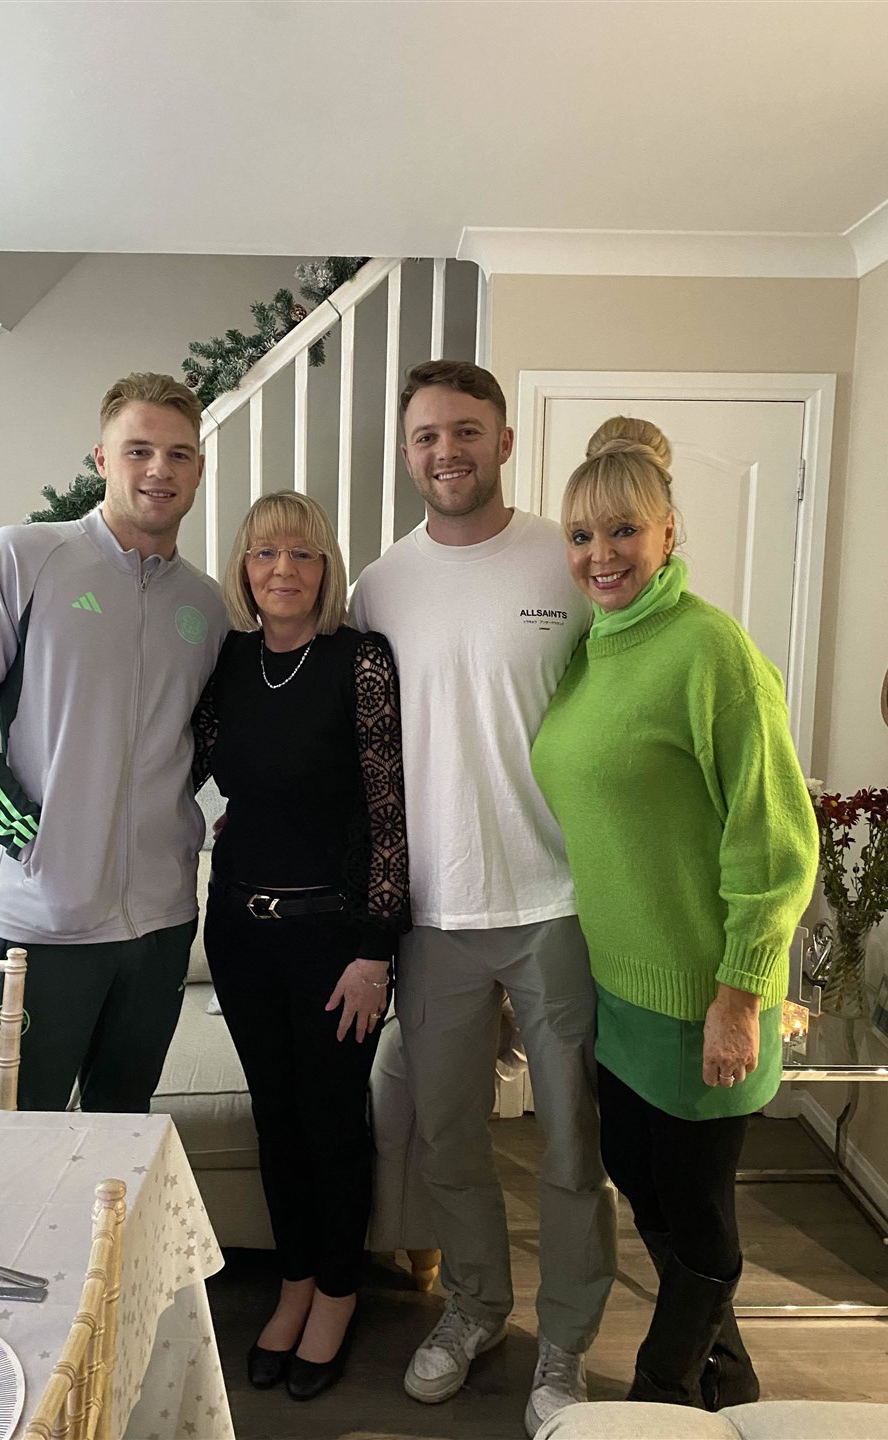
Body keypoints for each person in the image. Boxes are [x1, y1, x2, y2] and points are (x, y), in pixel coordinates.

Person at [350, 361, 617, 1437]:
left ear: (505, 441)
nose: (445, 450)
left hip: (557, 902)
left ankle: (566, 1339)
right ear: (406, 452)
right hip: (434, 911)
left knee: (568, 1143)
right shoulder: (378, 585)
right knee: (450, 1139)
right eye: (424, 436)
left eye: (466, 430)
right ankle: (473, 1305)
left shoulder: (569, 557)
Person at [531, 416, 818, 1409]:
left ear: (668, 533)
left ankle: (658, 1392)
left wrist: (743, 995)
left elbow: (777, 841)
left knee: (697, 1222)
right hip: (624, 989)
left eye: (622, 532)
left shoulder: (712, 653)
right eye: (580, 536)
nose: (599, 555)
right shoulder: (591, 652)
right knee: (637, 1177)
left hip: (707, 993)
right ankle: (730, 1383)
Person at [0, 372, 227, 1112]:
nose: (160, 470)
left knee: (119, 1136)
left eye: (180, 454)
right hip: (42, 924)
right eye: (140, 450)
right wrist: (28, 830)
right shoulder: (22, 558)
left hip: (160, 924)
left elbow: (200, 740)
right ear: (101, 459)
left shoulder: (207, 604)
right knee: (16, 1139)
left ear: (198, 469)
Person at [192, 490, 409, 1402]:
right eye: (265, 553)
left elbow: (387, 814)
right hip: (239, 931)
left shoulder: (359, 663)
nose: (284, 570)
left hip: (333, 943)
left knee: (330, 1123)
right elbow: (176, 764)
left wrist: (376, 950)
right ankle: (290, 1283)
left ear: (327, 569)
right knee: (274, 1119)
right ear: (244, 567)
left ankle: (337, 1293)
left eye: (304, 555)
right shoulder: (229, 662)